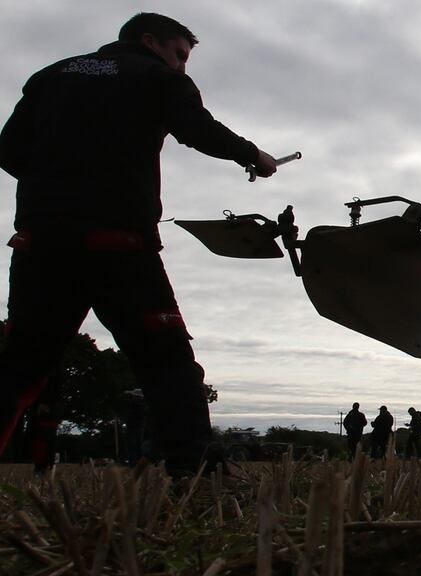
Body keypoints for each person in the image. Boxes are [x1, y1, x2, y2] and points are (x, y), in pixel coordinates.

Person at [0, 13, 278, 476]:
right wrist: (254, 156)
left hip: (41, 242)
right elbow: (198, 129)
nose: (182, 66)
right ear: (150, 41)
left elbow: (9, 152)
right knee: (168, 363)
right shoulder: (157, 78)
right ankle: (194, 474)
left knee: (20, 369)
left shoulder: (51, 75)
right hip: (119, 245)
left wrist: (58, 185)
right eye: (179, 55)